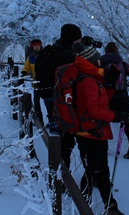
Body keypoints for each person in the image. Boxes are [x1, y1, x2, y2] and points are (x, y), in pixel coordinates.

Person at [72, 42, 127, 215]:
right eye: (98, 60)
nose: (100, 63)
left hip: (94, 131)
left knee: (95, 170)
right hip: (90, 133)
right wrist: (115, 116)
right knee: (97, 171)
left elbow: (101, 102)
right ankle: (104, 207)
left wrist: (109, 86)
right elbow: (93, 110)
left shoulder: (93, 78)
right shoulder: (88, 81)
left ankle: (90, 204)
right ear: (91, 61)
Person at [34, 23, 82, 167]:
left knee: (58, 127)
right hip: (61, 99)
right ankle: (61, 171)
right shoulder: (67, 55)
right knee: (65, 134)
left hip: (48, 94)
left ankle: (59, 165)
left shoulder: (51, 50)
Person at [21, 39, 43, 122]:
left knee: (48, 102)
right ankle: (39, 119)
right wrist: (24, 72)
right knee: (36, 102)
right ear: (32, 47)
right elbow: (27, 67)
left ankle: (51, 120)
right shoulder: (31, 57)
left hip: (46, 83)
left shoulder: (45, 55)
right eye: (35, 46)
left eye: (38, 46)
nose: (37, 48)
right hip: (36, 83)